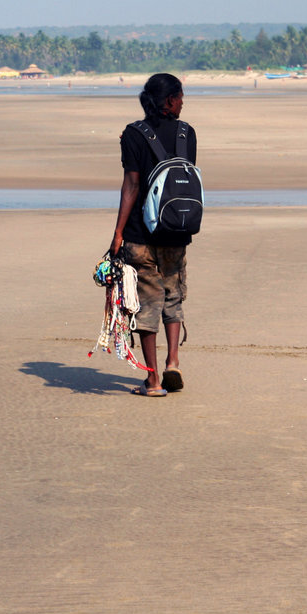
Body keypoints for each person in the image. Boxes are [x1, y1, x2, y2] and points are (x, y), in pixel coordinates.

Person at [110, 73, 196, 398]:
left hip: (139, 234)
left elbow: (131, 185)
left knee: (146, 303)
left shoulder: (132, 134)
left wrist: (117, 233)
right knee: (173, 297)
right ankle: (173, 361)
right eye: (181, 96)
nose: (184, 101)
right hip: (176, 229)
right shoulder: (189, 133)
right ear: (170, 101)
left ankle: (153, 382)